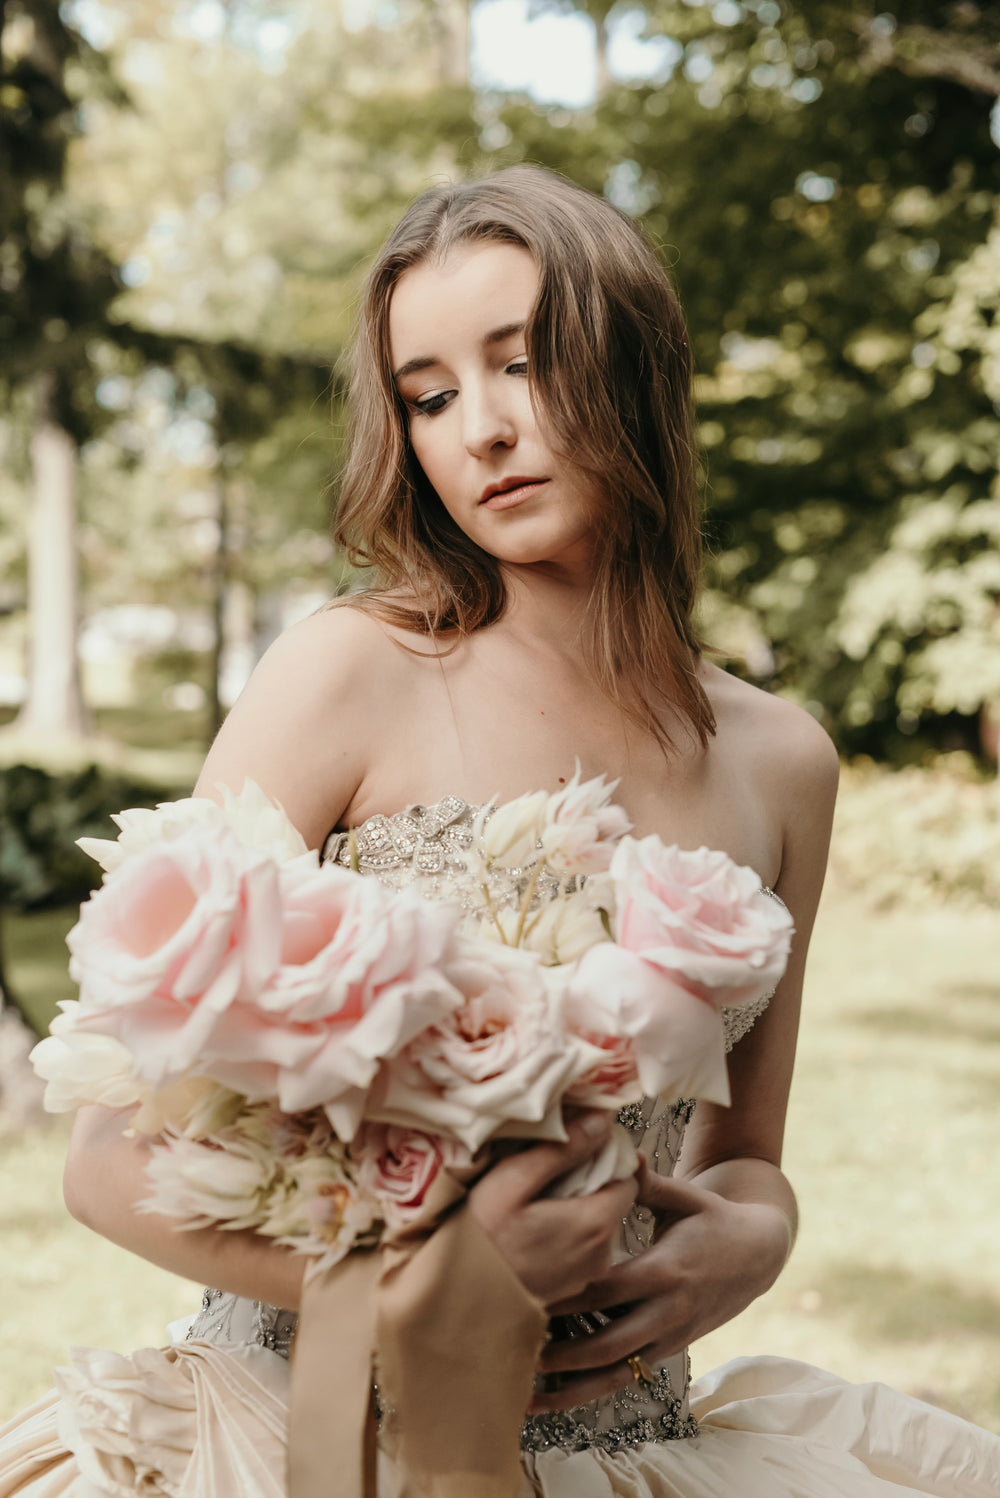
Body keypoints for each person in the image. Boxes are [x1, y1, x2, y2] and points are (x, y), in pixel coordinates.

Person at [1, 165, 997, 1498]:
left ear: (633, 366)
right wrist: (432, 1290)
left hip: (628, 1448)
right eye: (428, 394)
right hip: (308, 1439)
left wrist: (754, 1238)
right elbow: (109, 1158)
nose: (479, 429)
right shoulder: (349, 675)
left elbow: (745, 1153)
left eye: (520, 364)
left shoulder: (784, 761)